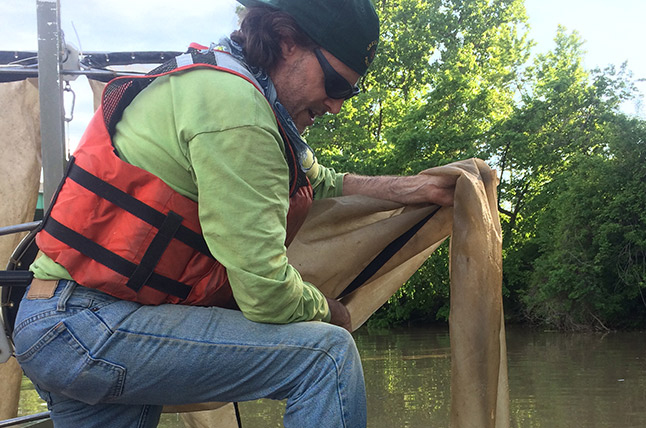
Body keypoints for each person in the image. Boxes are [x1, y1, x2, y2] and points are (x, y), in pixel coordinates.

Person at [12, 0, 456, 427]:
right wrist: (333, 312)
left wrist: (410, 188)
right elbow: (265, 292)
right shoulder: (239, 112)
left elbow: (318, 181)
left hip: (55, 319)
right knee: (327, 357)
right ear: (286, 41)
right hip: (90, 327)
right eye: (336, 85)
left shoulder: (220, 81)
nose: (337, 105)